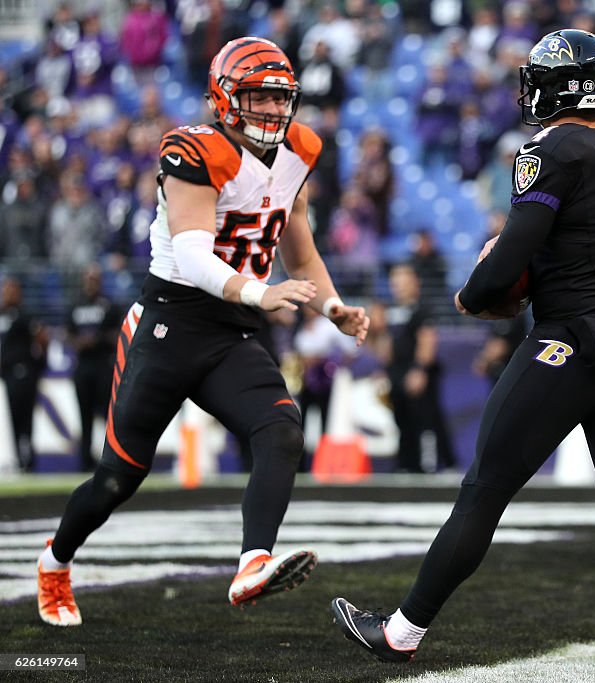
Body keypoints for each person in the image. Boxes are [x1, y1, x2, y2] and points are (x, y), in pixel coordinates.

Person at [332, 30, 595, 673]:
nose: (529, 85)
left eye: (540, 75)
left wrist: (476, 291)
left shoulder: (552, 146)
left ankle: (402, 631)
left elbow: (515, 250)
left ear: (563, 83)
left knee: (483, 491)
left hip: (571, 344)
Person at [35, 37, 370, 628]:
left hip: (232, 327)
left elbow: (301, 250)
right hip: (170, 320)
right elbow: (192, 254)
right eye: (258, 97)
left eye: (279, 98)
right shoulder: (192, 150)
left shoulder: (300, 149)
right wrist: (262, 293)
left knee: (281, 427)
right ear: (224, 97)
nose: (271, 110)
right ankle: (55, 561)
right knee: (118, 477)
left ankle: (252, 562)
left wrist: (332, 307)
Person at [385, 263, 456, 473]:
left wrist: (419, 369)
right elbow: (388, 346)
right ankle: (408, 464)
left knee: (427, 420)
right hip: (397, 372)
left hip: (417, 372)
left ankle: (438, 465)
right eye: (394, 281)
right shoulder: (392, 311)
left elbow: (427, 340)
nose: (397, 286)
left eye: (403, 280)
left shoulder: (422, 309)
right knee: (402, 421)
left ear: (415, 282)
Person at [66, 264, 121, 472]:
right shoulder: (76, 305)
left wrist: (96, 340)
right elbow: (67, 334)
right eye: (88, 278)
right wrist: (79, 342)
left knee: (109, 414)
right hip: (83, 367)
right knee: (85, 415)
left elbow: (119, 332)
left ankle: (110, 458)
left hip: (104, 365)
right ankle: (85, 460)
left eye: (94, 279)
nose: (91, 283)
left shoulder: (109, 306)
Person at [0, 277, 48, 472]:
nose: (6, 293)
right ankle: (17, 459)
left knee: (24, 418)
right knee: (11, 417)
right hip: (7, 374)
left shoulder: (25, 315)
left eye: (11, 290)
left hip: (23, 372)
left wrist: (39, 364)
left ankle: (27, 460)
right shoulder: (3, 314)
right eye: (5, 289)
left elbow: (42, 338)